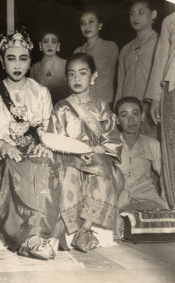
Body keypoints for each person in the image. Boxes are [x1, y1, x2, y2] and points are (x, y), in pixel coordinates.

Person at [0, 28, 62, 260]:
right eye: (11, 58)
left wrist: (44, 144)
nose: (17, 65)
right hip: (2, 151)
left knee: (46, 163)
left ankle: (43, 234)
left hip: (34, 147)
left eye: (23, 59)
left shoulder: (41, 91)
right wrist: (2, 145)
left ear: (29, 61)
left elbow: (49, 127)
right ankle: (27, 237)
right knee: (18, 165)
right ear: (2, 61)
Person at [50, 53, 123, 253]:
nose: (77, 79)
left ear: (93, 76)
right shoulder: (61, 107)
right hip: (69, 157)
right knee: (70, 173)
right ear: (66, 78)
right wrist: (75, 153)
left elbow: (112, 138)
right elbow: (55, 139)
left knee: (101, 166)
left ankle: (86, 228)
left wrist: (100, 149)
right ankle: (68, 227)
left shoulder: (101, 106)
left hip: (98, 156)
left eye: (82, 73)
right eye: (71, 74)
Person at [146, 0, 175, 208]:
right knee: (171, 149)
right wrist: (155, 97)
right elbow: (161, 60)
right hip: (172, 90)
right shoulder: (169, 21)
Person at [115, 96, 168, 211]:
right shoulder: (109, 144)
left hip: (148, 198)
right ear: (117, 120)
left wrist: (165, 198)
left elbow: (165, 175)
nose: (131, 119)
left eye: (135, 113)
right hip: (118, 199)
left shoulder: (152, 144)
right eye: (124, 115)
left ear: (142, 116)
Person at [115, 0, 159, 139]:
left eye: (141, 13)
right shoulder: (126, 49)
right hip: (127, 110)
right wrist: (117, 110)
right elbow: (120, 84)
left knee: (151, 148)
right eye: (132, 14)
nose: (135, 17)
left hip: (149, 107)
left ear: (153, 15)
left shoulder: (160, 43)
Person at [74, 6, 119, 105]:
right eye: (83, 23)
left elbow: (116, 77)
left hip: (105, 103)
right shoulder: (78, 51)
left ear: (100, 25)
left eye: (91, 22)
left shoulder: (110, 47)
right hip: (83, 104)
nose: (87, 26)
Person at [30, 28, 67, 105]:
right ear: (40, 45)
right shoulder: (34, 68)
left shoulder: (67, 65)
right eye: (46, 41)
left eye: (53, 42)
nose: (49, 45)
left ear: (58, 45)